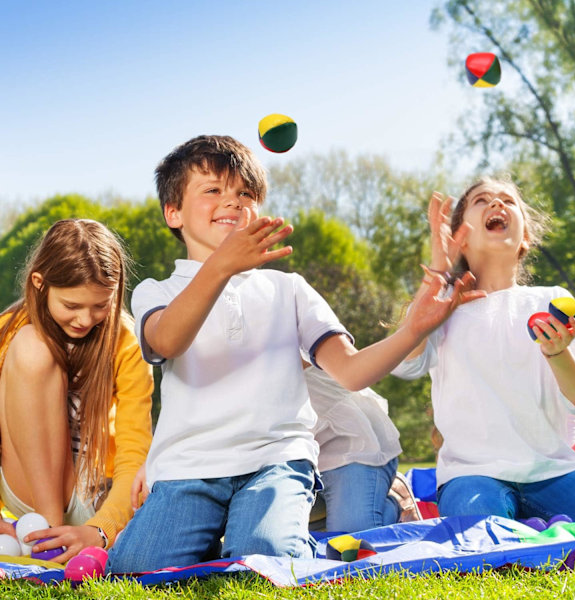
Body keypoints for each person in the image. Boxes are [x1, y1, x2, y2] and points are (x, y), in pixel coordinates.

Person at [106, 134, 483, 573]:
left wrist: (414, 327)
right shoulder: (157, 291)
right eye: (212, 190)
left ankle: (290, 521)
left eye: (245, 193)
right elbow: (167, 341)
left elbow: (351, 373)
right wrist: (223, 265)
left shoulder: (289, 289)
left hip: (276, 461)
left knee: (265, 562)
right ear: (173, 213)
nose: (232, 202)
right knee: (132, 570)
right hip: (189, 467)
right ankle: (215, 530)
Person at [392, 176, 575, 522]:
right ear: (461, 237)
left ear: (526, 237)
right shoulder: (445, 305)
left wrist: (557, 354)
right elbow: (405, 364)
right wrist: (439, 272)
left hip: (553, 472)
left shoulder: (553, 300)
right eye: (481, 200)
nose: (496, 204)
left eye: (508, 200)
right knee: (478, 538)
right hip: (471, 475)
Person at [0, 219, 153, 562]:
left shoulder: (126, 342)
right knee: (30, 345)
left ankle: (50, 541)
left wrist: (100, 530)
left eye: (101, 306)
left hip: (91, 496)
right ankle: (47, 532)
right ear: (39, 284)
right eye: (72, 306)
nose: (85, 319)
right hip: (24, 487)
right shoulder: (9, 331)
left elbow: (134, 453)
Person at [304, 362, 421, 532]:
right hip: (296, 457)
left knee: (352, 540)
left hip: (349, 447)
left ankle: (395, 503)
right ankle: (325, 521)